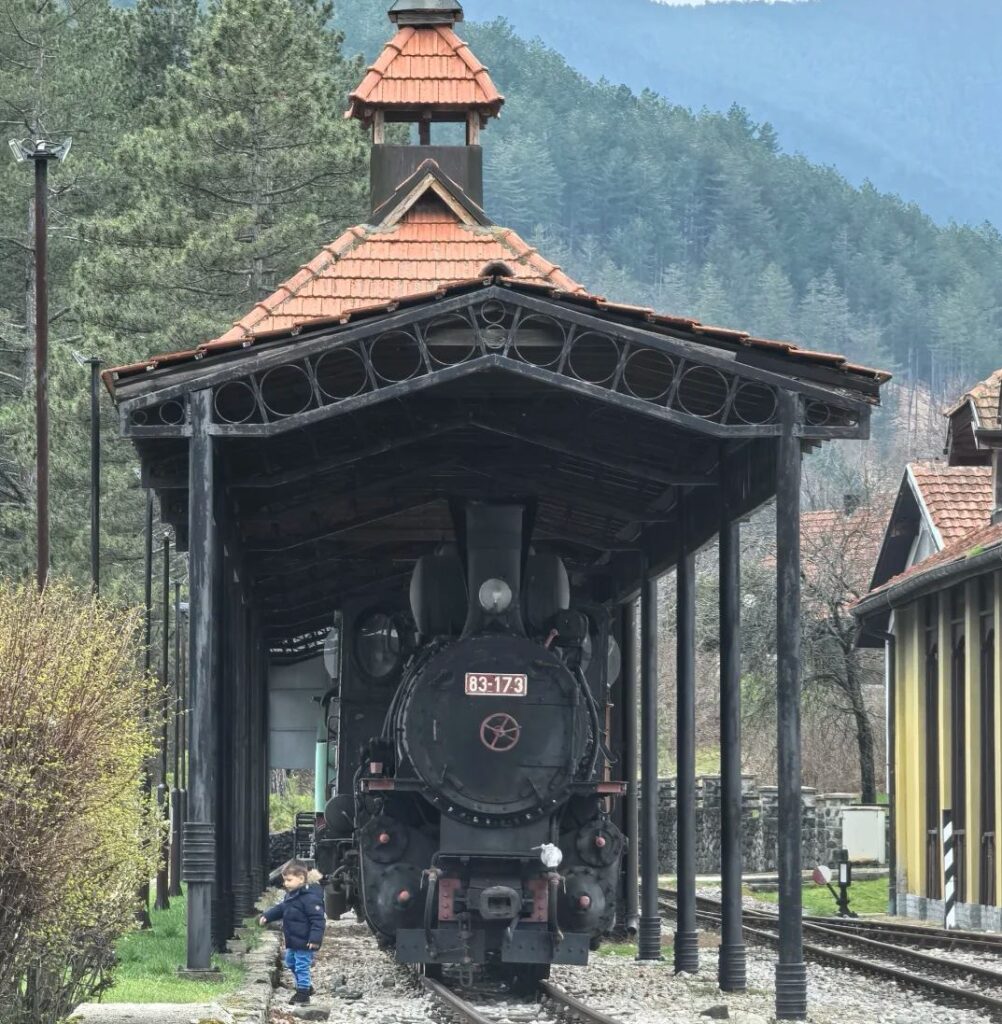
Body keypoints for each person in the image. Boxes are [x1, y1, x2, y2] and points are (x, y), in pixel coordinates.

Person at [259, 859, 326, 1005]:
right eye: (285, 880)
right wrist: (267, 916)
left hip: (305, 941)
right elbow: (282, 908)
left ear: (301, 878)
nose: (286, 883)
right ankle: (306, 986)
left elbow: (318, 920)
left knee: (302, 965)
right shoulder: (292, 895)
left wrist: (315, 939)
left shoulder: (310, 898)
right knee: (290, 962)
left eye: (289, 880)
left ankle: (303, 993)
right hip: (293, 939)